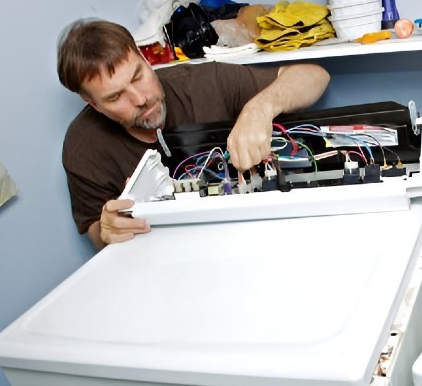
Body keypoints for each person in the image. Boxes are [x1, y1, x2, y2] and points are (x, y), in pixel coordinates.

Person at [57, 18, 330, 250]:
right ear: (93, 104)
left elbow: (315, 76)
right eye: (116, 96)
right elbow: (96, 230)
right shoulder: (83, 147)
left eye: (138, 76)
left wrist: (261, 108)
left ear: (143, 58)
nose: (140, 99)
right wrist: (107, 229)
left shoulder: (204, 82)